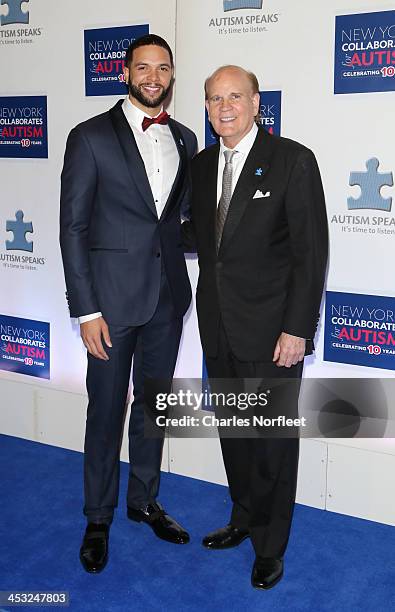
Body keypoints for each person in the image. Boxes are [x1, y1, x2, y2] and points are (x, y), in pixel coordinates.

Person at [185, 65, 328, 589]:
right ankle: (243, 517)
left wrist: (297, 329)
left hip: (273, 334)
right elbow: (198, 239)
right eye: (214, 98)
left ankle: (270, 544)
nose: (224, 107)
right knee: (235, 435)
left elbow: (310, 255)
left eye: (235, 97)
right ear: (205, 107)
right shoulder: (201, 167)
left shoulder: (291, 160)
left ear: (256, 102)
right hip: (219, 328)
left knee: (270, 442)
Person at [60, 34, 197, 573]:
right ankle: (98, 516)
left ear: (171, 74)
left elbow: (177, 222)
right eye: (144, 67)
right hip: (110, 307)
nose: (154, 77)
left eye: (163, 68)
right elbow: (73, 227)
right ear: (125, 73)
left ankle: (143, 499)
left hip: (166, 298)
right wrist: (86, 310)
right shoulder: (89, 136)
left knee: (153, 408)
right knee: (105, 411)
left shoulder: (185, 137)